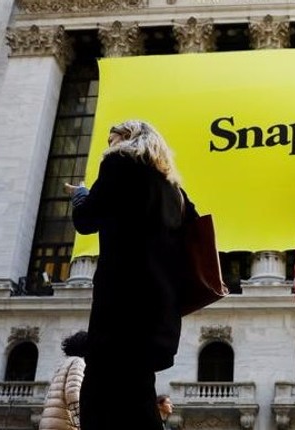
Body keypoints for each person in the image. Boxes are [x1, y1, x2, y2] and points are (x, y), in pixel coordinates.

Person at [64, 120, 198, 430]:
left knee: (99, 396)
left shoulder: (118, 163)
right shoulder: (175, 190)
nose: (109, 147)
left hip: (123, 308)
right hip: (160, 315)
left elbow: (86, 220)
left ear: (129, 138)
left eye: (113, 140)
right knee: (137, 397)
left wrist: (81, 195)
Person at [39, 331, 88, 430]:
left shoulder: (63, 365)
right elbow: (73, 393)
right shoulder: (78, 362)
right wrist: (80, 423)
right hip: (64, 424)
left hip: (50, 423)